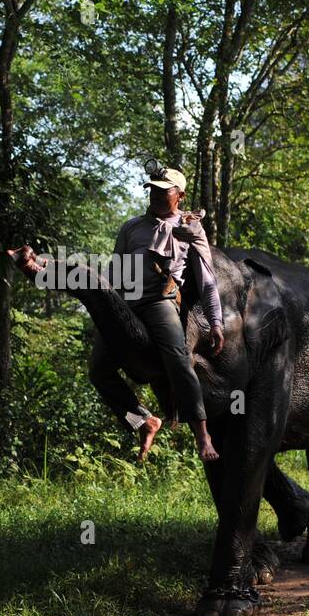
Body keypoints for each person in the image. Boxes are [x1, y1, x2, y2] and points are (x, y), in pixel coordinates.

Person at [92, 167, 224, 462]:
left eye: (163, 190)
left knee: (178, 359)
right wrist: (106, 308)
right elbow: (115, 272)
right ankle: (142, 420)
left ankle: (202, 435)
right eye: (152, 189)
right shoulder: (132, 227)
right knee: (98, 369)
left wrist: (216, 321)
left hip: (158, 301)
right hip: (126, 301)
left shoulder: (191, 228)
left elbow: (206, 280)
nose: (155, 194)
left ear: (180, 196)